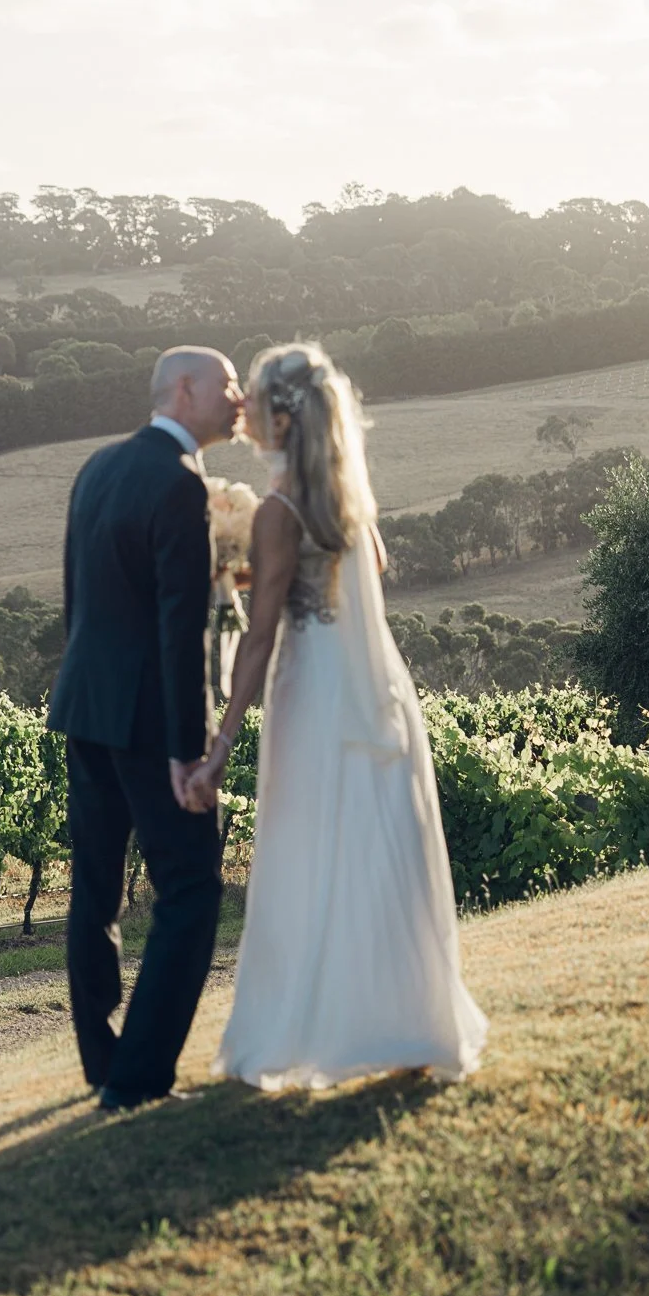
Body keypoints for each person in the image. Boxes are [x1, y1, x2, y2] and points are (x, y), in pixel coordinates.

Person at [188, 341, 487, 1090]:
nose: (245, 408)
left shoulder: (282, 511)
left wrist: (222, 742)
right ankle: (411, 1025)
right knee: (379, 851)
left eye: (254, 396)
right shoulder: (345, 498)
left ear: (280, 420)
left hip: (314, 693)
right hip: (375, 684)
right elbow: (370, 567)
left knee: (308, 853)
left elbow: (259, 638)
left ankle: (294, 1033)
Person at [48, 344, 244, 1110]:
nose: (237, 398)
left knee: (94, 889)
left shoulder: (97, 466)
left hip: (85, 705)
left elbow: (78, 599)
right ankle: (138, 1079)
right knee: (192, 886)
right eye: (227, 384)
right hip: (145, 722)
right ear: (187, 390)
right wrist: (187, 754)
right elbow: (179, 629)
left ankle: (102, 1060)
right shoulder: (177, 483)